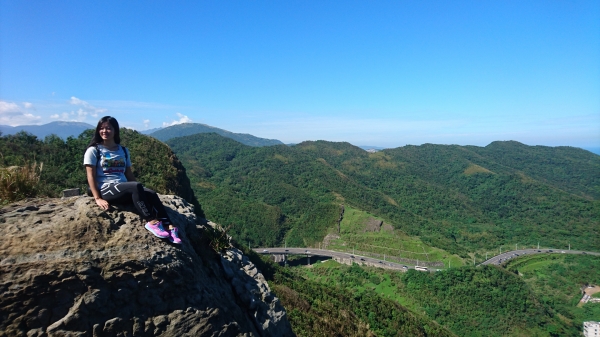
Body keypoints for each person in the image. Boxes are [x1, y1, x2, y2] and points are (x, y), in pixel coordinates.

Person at [83, 116, 182, 244]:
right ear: (98, 131)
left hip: (123, 187)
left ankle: (169, 226)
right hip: (105, 188)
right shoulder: (94, 150)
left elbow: (128, 173)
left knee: (150, 193)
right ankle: (151, 221)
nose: (104, 131)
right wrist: (97, 198)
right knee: (135, 187)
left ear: (115, 131)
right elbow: (90, 175)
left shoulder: (123, 150)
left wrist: (140, 190)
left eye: (108, 128)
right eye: (101, 128)